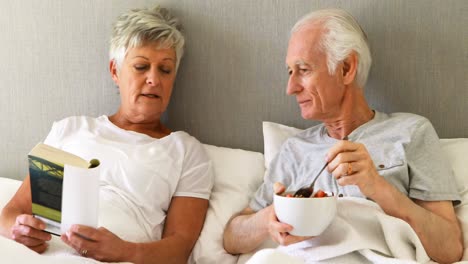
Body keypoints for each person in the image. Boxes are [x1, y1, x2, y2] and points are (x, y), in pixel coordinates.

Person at [223, 8, 463, 263]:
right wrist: (271, 217)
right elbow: (231, 238)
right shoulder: (294, 149)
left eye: (303, 69)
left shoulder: (411, 132)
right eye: (289, 72)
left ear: (346, 68)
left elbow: (450, 248)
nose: (290, 88)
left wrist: (378, 187)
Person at [0, 6, 213, 263]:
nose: (154, 79)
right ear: (115, 71)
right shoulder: (71, 130)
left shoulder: (186, 151)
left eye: (165, 70)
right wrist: (20, 230)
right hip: (44, 253)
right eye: (141, 66)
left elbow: (179, 250)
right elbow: (10, 214)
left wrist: (123, 251)